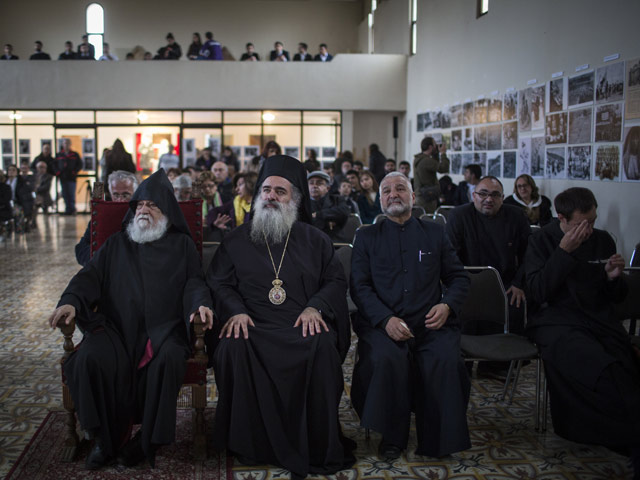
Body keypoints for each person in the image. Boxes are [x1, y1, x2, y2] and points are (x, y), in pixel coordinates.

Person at [50, 169, 213, 470]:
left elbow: (195, 283)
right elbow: (89, 276)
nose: (143, 210)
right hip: (116, 329)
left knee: (171, 358)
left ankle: (148, 440)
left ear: (166, 212)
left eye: (152, 205)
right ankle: (101, 437)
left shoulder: (182, 246)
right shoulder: (116, 244)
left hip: (164, 330)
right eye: (139, 205)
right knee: (87, 359)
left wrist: (198, 306)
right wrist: (71, 302)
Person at [206, 155, 354, 478]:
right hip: (253, 326)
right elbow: (218, 282)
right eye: (266, 190)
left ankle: (314, 443)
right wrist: (236, 311)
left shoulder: (316, 241)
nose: (271, 196)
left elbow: (335, 281)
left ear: (295, 200)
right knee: (232, 346)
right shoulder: (235, 240)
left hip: (301, 324)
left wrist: (316, 306)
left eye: (280, 192)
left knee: (323, 346)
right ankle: (248, 444)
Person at [350, 171, 470, 460]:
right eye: (387, 190)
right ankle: (393, 435)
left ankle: (438, 438)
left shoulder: (434, 232)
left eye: (400, 188)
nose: (394, 194)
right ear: (380, 201)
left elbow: (458, 278)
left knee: (445, 360)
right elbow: (359, 287)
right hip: (382, 325)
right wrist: (385, 320)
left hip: (430, 324)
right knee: (387, 359)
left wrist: (447, 306)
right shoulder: (366, 237)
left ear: (413, 197)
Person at [525, 187, 640, 478]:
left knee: (623, 365)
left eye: (593, 220)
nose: (589, 229)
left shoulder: (601, 240)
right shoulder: (542, 240)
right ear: (562, 219)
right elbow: (537, 291)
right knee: (596, 369)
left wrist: (614, 279)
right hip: (556, 322)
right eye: (582, 224)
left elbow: (612, 296)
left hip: (597, 321)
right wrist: (564, 252)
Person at [446, 176, 531, 335]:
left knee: (515, 309)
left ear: (503, 198)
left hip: (506, 284)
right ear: (473, 196)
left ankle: (503, 359)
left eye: (495, 195)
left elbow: (529, 254)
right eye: (483, 194)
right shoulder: (458, 216)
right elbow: (451, 258)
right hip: (467, 283)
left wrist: (519, 283)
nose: (489, 199)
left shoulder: (517, 216)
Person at [75, 170, 139, 267]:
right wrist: (98, 257)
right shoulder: (102, 215)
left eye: (125, 195)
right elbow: (81, 247)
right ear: (110, 193)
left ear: (135, 194)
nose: (120, 200)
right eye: (116, 195)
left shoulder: (140, 214)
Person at [206, 172, 256, 238]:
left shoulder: (261, 205)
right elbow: (213, 211)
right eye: (236, 186)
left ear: (251, 184)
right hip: (238, 241)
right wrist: (214, 222)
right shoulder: (235, 202)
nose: (236, 189)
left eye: (240, 185)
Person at [308, 170, 350, 242]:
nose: (314, 186)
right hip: (311, 241)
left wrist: (318, 215)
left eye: (319, 183)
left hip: (334, 242)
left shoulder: (337, 199)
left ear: (328, 188)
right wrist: (329, 219)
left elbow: (344, 212)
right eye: (311, 183)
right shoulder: (303, 203)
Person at [413, 136, 450, 213]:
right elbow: (444, 168)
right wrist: (443, 153)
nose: (436, 146)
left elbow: (434, 165)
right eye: (435, 145)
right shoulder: (427, 161)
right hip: (427, 198)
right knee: (428, 219)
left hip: (420, 195)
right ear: (430, 147)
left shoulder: (419, 158)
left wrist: (435, 154)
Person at [55, 138, 82, 215]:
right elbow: (54, 165)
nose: (66, 145)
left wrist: (74, 172)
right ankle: (67, 210)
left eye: (67, 143)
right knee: (65, 194)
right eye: (65, 143)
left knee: (71, 194)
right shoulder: (59, 155)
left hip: (71, 178)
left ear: (70, 144)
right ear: (63, 144)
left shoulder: (74, 154)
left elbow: (79, 165)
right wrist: (58, 172)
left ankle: (72, 210)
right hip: (63, 178)